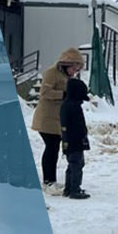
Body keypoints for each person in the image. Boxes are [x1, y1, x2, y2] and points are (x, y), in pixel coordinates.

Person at [33, 48, 83, 193]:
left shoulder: (67, 77)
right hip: (47, 118)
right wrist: (65, 95)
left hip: (57, 118)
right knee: (51, 148)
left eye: (77, 69)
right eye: (74, 68)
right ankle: (48, 181)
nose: (75, 71)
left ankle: (51, 180)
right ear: (66, 64)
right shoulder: (51, 73)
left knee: (54, 148)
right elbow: (45, 92)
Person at [60, 72, 91, 199]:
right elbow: (77, 125)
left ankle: (68, 188)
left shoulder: (66, 104)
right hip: (75, 140)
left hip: (68, 140)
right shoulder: (73, 106)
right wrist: (83, 136)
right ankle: (74, 189)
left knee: (72, 164)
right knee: (77, 164)